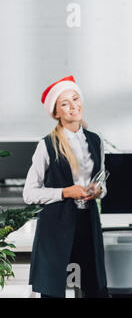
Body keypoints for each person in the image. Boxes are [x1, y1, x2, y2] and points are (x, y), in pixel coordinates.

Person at [23, 76, 109, 298]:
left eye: (75, 99)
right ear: (56, 113)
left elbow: (103, 184)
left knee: (95, 288)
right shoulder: (46, 145)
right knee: (53, 291)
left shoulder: (95, 140)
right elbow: (29, 193)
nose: (73, 107)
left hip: (87, 224)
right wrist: (65, 192)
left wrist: (98, 191)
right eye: (64, 103)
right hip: (56, 227)